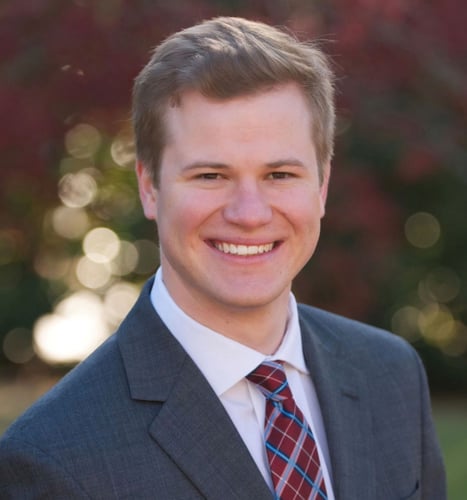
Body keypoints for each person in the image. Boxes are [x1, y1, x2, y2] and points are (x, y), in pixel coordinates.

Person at [0, 16, 445, 499]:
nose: (249, 214)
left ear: (322, 185)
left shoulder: (392, 375)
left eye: (279, 175)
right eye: (211, 176)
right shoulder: (53, 460)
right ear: (149, 187)